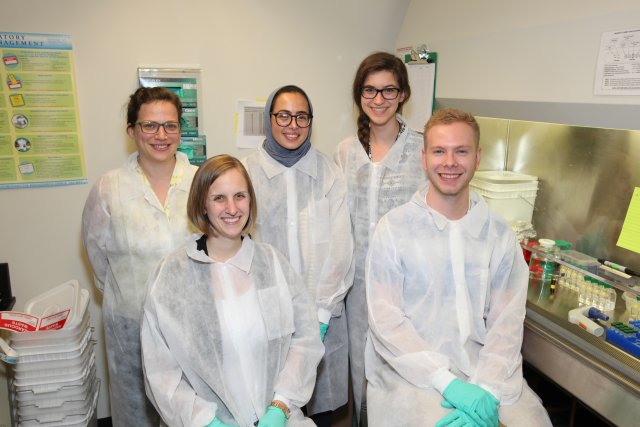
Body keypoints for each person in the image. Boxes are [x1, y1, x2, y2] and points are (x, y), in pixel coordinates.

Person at [364, 108, 552, 426]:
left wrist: (488, 390)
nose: (450, 162)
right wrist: (446, 382)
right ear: (424, 158)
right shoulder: (394, 230)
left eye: (461, 151)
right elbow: (387, 322)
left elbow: (505, 325)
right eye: (439, 151)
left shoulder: (498, 234)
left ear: (477, 157)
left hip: (488, 372)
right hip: (411, 375)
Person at [140, 155, 325, 427]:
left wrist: (280, 406)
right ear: (202, 204)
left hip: (280, 419)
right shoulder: (172, 276)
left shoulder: (272, 265)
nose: (232, 208)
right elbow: (162, 373)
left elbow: (304, 341)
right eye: (219, 198)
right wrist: (205, 422)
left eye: (240, 196)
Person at [82, 87, 197, 426]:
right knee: (137, 415)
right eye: (149, 126)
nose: (161, 135)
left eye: (170, 126)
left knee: (194, 412)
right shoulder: (109, 188)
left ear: (180, 130)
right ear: (131, 131)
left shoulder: (203, 182)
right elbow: (98, 259)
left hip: (194, 326)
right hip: (131, 328)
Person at [242, 85, 354, 426]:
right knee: (264, 404)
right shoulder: (244, 173)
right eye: (284, 115)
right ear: (269, 119)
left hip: (323, 318)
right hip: (263, 318)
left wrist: (319, 316)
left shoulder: (329, 173)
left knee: (317, 410)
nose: (293, 124)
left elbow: (341, 249)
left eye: (302, 116)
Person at [333, 51, 426, 423]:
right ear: (359, 95)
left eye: (388, 90)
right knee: (363, 381)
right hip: (357, 293)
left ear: (402, 94)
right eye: (369, 90)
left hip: (408, 291)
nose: (378, 100)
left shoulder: (421, 149)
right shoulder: (345, 152)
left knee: (405, 384)